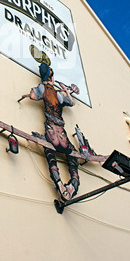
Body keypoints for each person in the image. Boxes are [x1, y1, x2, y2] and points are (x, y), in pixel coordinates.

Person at [27, 63, 80, 201]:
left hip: (50, 132)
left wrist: (37, 91)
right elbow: (72, 102)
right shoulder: (57, 94)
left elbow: (33, 96)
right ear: (51, 77)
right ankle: (73, 184)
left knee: (50, 154)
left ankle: (58, 182)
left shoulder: (42, 88)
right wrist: (65, 91)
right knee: (72, 156)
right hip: (62, 134)